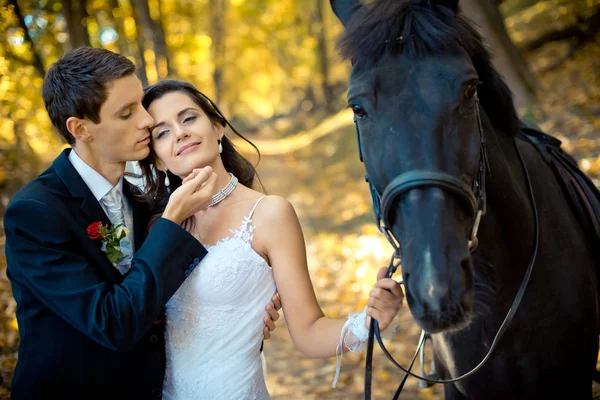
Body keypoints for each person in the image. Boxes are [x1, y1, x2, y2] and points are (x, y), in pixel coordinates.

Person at [3, 47, 281, 400]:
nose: (147, 121)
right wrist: (173, 220)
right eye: (126, 113)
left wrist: (243, 313)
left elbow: (163, 296)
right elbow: (112, 322)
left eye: (140, 104)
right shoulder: (36, 213)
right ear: (80, 128)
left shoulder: (144, 200)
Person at [139, 79, 405, 399]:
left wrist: (369, 321)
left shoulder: (269, 214)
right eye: (162, 132)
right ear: (156, 157)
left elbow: (308, 333)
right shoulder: (158, 227)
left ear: (218, 127)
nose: (179, 132)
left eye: (188, 118)